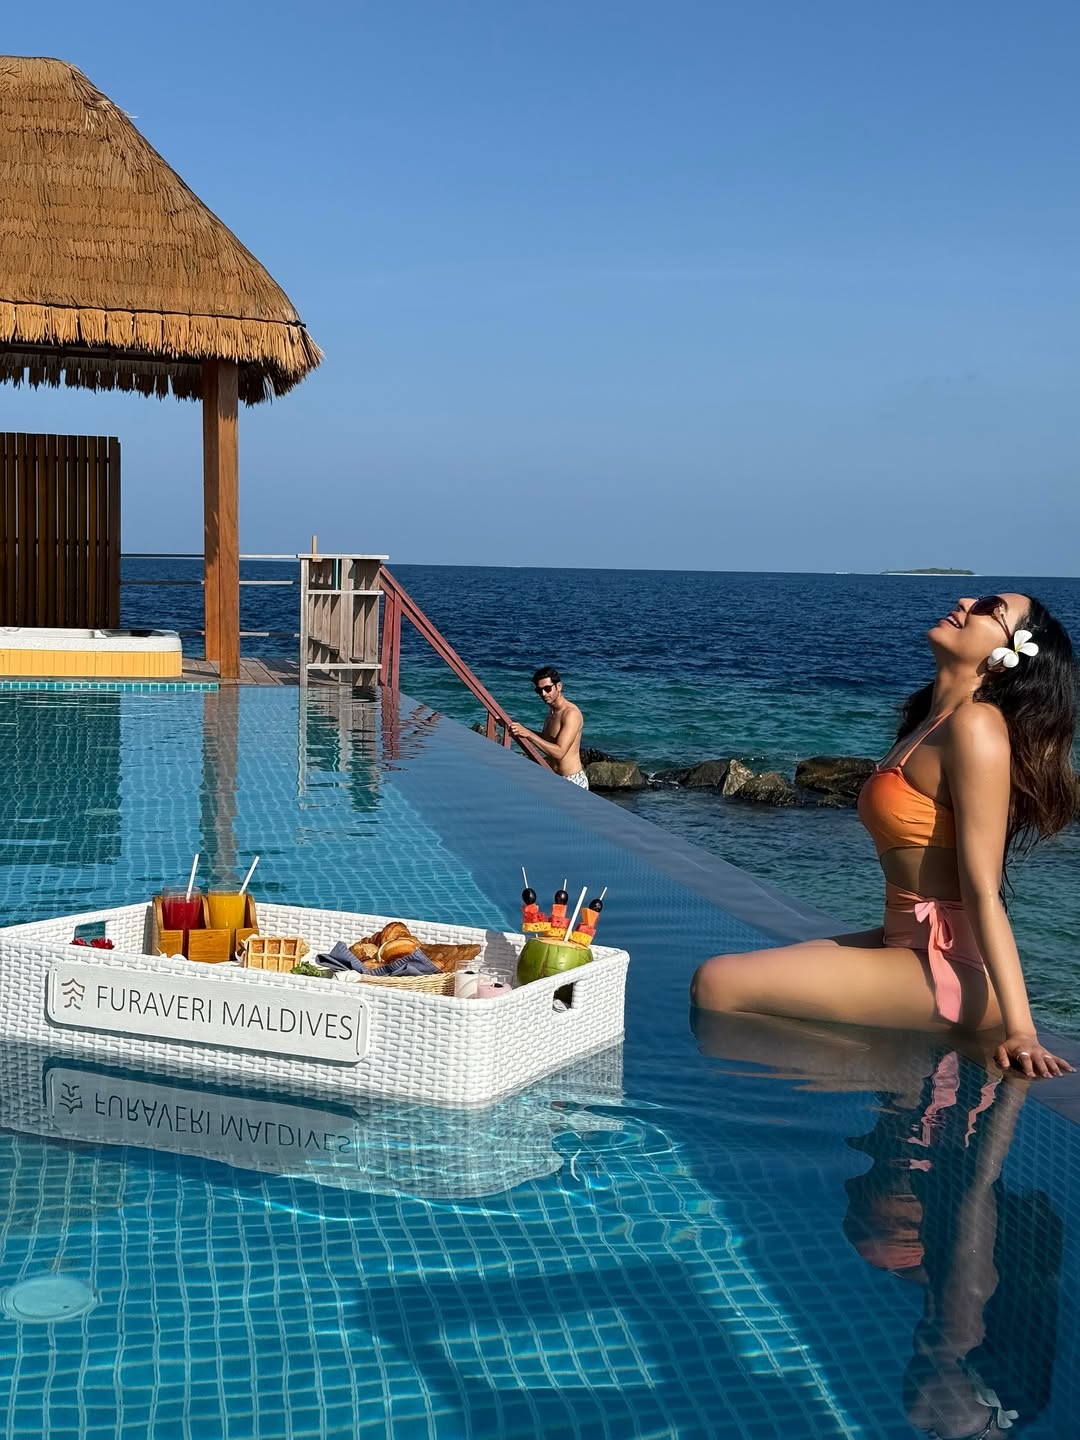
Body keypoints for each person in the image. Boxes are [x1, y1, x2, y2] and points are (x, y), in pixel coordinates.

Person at [691, 593, 1078, 1079]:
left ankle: (884, 1072)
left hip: (951, 966)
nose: (966, 601)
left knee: (717, 984)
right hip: (905, 942)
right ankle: (884, 1075)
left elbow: (982, 889)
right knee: (733, 974)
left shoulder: (977, 726)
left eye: (989, 607)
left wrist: (1023, 1031)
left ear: (1008, 656)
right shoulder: (928, 723)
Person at [509, 667, 588, 788]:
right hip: (553, 776)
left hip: (572, 780)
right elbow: (547, 739)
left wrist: (528, 734)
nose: (543, 694)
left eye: (547, 689)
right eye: (539, 690)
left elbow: (560, 752)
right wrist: (521, 729)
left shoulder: (571, 714)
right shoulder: (552, 713)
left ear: (559, 686)